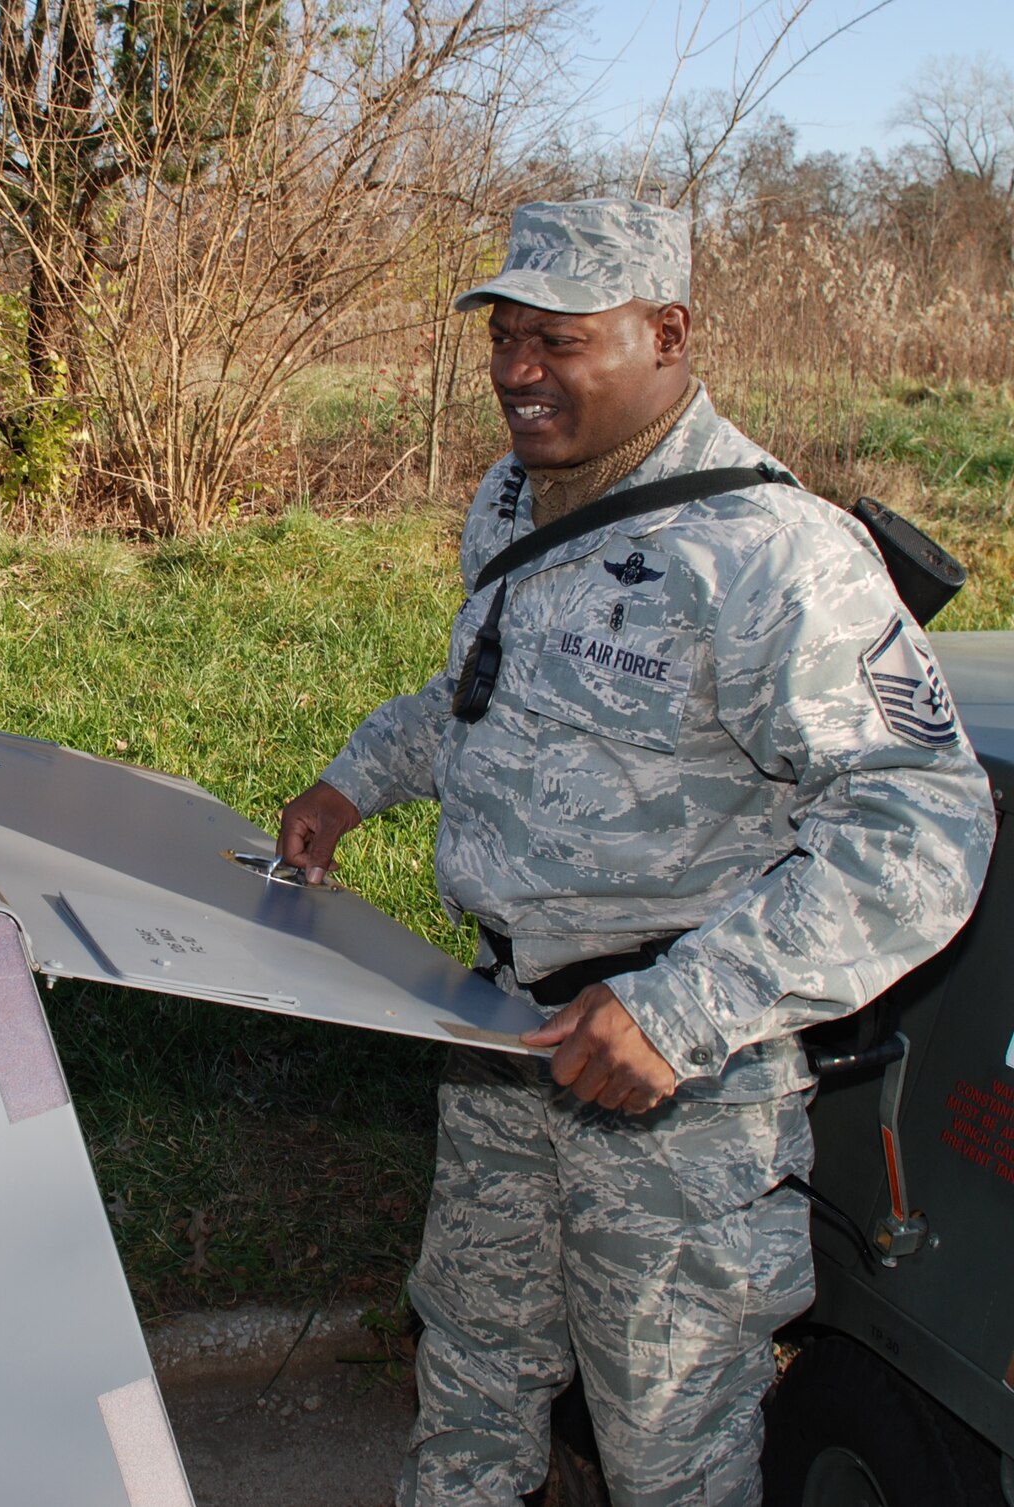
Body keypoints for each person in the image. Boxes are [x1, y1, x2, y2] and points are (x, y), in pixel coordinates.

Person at [276, 199, 995, 1507]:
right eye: (504, 337)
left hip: (678, 1085)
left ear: (667, 335)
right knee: (475, 1370)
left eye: (559, 339)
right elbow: (482, 692)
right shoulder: (516, 494)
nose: (516, 370)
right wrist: (356, 781)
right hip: (500, 1036)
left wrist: (680, 1012)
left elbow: (924, 825)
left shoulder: (776, 558)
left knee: (672, 1443)